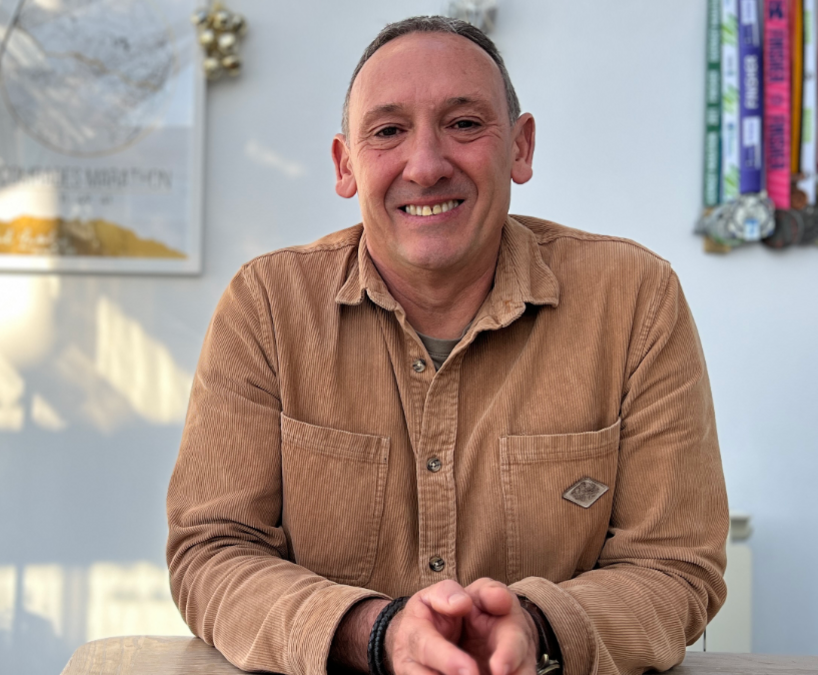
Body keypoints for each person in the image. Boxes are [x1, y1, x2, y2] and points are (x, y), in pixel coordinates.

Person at [166, 15, 727, 675]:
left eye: (464, 124)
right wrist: (375, 635)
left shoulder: (636, 300)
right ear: (346, 166)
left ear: (520, 148)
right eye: (388, 131)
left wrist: (538, 625)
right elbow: (212, 551)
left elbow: (678, 567)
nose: (426, 165)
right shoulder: (265, 307)